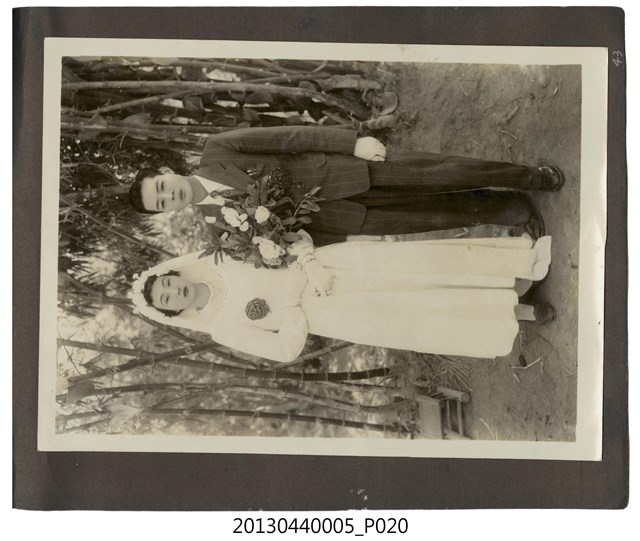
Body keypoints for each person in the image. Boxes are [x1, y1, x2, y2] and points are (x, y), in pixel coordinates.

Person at [130, 232, 555, 363]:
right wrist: (292, 307)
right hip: (331, 311)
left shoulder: (222, 258)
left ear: (174, 274)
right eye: (167, 300)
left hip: (330, 267)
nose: (174, 292)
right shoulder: (222, 328)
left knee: (418, 267)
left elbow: (273, 246)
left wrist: (301, 260)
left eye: (167, 284)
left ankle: (514, 273)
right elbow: (282, 350)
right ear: (176, 311)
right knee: (416, 307)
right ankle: (519, 311)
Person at [128, 126, 562, 244]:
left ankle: (528, 177)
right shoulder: (219, 230)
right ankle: (511, 210)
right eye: (161, 203)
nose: (169, 195)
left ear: (166, 172)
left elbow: (288, 137)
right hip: (343, 217)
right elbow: (285, 241)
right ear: (168, 212)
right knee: (431, 215)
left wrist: (352, 144)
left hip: (345, 170)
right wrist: (345, 241)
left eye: (161, 186)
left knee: (441, 172)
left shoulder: (218, 149)